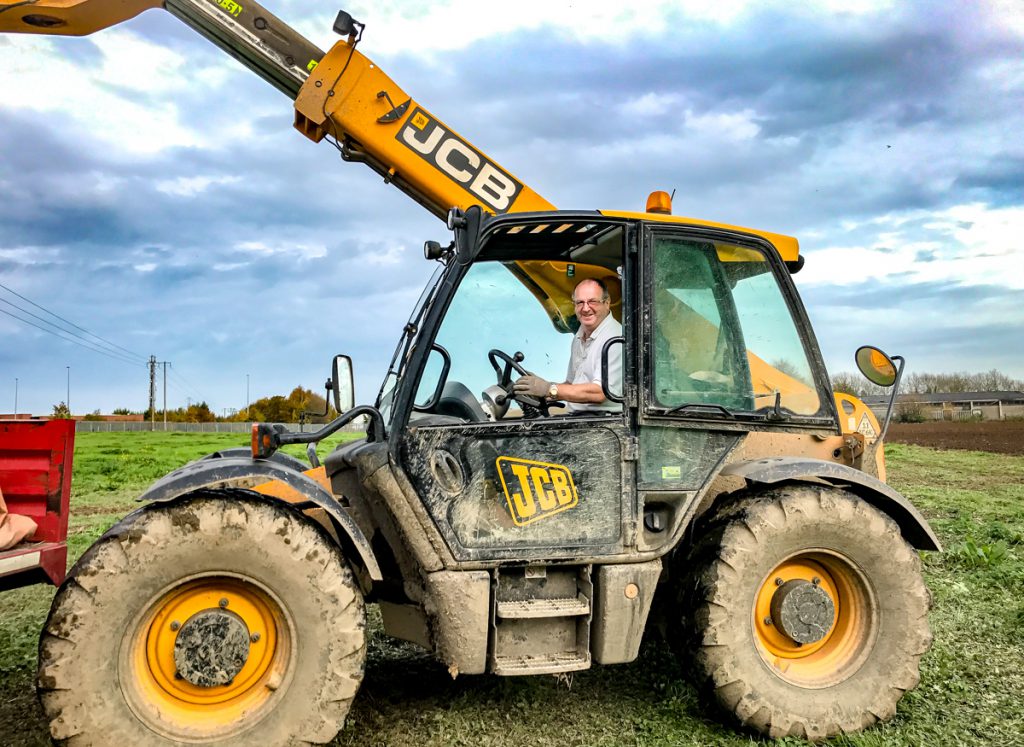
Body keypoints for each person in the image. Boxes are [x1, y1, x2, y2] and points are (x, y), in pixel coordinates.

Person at [513, 277, 622, 414]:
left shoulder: (614, 339)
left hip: (606, 425)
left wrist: (549, 388)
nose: (586, 308)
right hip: (581, 419)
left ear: (607, 303)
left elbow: (600, 392)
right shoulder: (579, 336)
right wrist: (538, 388)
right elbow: (571, 386)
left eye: (592, 301)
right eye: (580, 302)